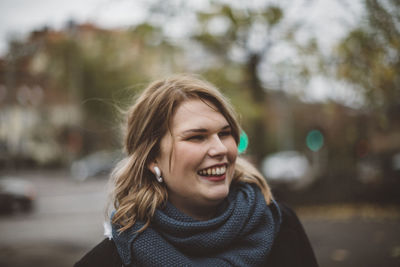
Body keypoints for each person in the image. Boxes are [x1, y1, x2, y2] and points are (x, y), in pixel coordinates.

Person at [74, 74, 318, 267]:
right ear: (152, 158)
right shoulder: (111, 260)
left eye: (224, 133)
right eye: (197, 137)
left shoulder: (281, 226)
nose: (220, 148)